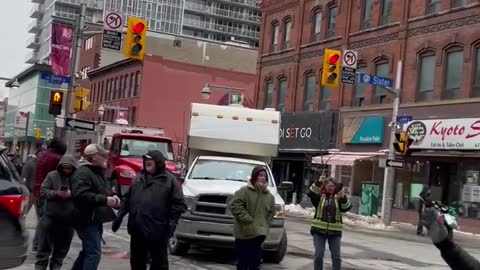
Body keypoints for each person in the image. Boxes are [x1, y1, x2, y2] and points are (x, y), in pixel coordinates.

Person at [112, 150, 186, 270]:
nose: (147, 163)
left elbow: (179, 205)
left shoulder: (170, 181)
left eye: (150, 161)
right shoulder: (138, 178)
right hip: (137, 230)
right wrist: (119, 217)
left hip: (158, 231)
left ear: (158, 163)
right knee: (136, 262)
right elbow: (127, 199)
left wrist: (171, 225)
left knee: (159, 264)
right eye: (145, 160)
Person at [71, 144, 120, 270]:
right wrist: (105, 200)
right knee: (93, 253)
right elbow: (80, 195)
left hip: (93, 218)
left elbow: (103, 191)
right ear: (93, 157)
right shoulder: (83, 172)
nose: (105, 157)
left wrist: (113, 197)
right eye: (102, 155)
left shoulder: (95, 172)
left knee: (88, 251)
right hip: (86, 218)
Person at [35, 155, 77, 270]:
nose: (66, 170)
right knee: (43, 250)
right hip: (50, 217)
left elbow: (83, 193)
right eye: (64, 168)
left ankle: (56, 267)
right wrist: (56, 193)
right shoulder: (52, 175)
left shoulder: (77, 178)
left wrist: (71, 194)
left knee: (60, 252)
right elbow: (43, 191)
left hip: (68, 220)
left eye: (69, 168)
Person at [229, 166, 275, 270]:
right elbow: (235, 205)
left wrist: (266, 225)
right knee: (243, 263)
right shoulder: (244, 191)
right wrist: (248, 220)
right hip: (244, 235)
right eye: (260, 175)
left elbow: (271, 212)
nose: (262, 178)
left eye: (264, 176)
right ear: (254, 177)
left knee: (255, 263)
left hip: (259, 235)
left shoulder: (269, 196)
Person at [307, 176, 351, 270]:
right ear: (325, 186)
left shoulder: (338, 197)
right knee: (319, 255)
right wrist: (318, 182)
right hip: (319, 231)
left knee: (336, 257)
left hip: (335, 232)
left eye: (333, 186)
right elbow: (310, 193)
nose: (331, 188)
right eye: (329, 186)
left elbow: (346, 208)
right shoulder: (319, 197)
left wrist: (343, 198)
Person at [31, 138, 67, 253]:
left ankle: (36, 245)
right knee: (45, 221)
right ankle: (38, 245)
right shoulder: (57, 158)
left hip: (38, 191)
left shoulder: (42, 155)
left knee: (42, 220)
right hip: (48, 192)